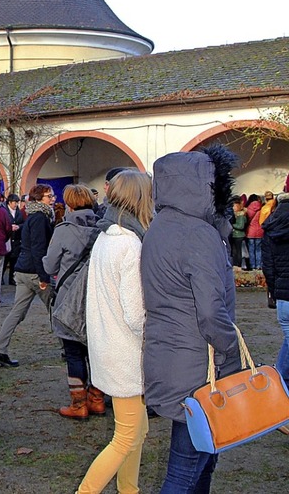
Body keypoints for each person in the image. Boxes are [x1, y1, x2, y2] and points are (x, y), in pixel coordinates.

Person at [141, 146, 241, 493]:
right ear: (201, 185)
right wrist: (233, 351)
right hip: (199, 366)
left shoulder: (159, 228)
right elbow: (211, 312)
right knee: (185, 468)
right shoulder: (198, 234)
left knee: (204, 455)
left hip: (170, 358)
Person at [75, 171, 153, 494]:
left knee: (139, 430)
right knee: (125, 436)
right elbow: (136, 314)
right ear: (140, 199)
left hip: (109, 347)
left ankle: (128, 489)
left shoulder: (106, 236)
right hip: (124, 353)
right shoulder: (129, 243)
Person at [42, 184, 101, 419]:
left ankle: (79, 404)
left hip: (69, 298)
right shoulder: (102, 227)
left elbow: (50, 266)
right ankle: (97, 398)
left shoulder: (64, 229)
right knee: (96, 352)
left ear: (69, 203)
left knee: (74, 352)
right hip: (97, 298)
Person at [0, 184, 55, 367]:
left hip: (22, 270)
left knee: (17, 312)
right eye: (48, 196)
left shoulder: (32, 215)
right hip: (34, 272)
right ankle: (69, 349)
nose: (52, 199)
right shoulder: (41, 217)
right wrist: (44, 276)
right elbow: (38, 248)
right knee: (56, 310)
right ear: (38, 199)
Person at [262, 193, 289, 383]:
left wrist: (274, 290)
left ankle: (279, 379)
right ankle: (278, 378)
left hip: (282, 296)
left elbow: (268, 267)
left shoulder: (270, 229)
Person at [3, 193, 25, 286]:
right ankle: (0, 278)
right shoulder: (4, 211)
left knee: (14, 260)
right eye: (14, 202)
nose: (16, 204)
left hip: (16, 239)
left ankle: (12, 278)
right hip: (7, 239)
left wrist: (18, 227)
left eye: (17, 202)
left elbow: (23, 223)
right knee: (5, 260)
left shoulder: (19, 212)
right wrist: (9, 227)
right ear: (9, 202)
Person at [245, 193, 263, 269]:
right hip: (260, 231)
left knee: (251, 250)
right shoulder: (262, 208)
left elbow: (246, 221)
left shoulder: (248, 209)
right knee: (258, 250)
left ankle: (252, 266)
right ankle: (259, 265)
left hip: (250, 232)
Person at [230, 197, 248, 269]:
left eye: (234, 206)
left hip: (239, 235)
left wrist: (232, 225)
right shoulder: (236, 215)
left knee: (238, 251)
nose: (233, 208)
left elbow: (241, 226)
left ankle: (239, 264)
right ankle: (236, 264)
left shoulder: (241, 216)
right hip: (235, 235)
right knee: (236, 251)